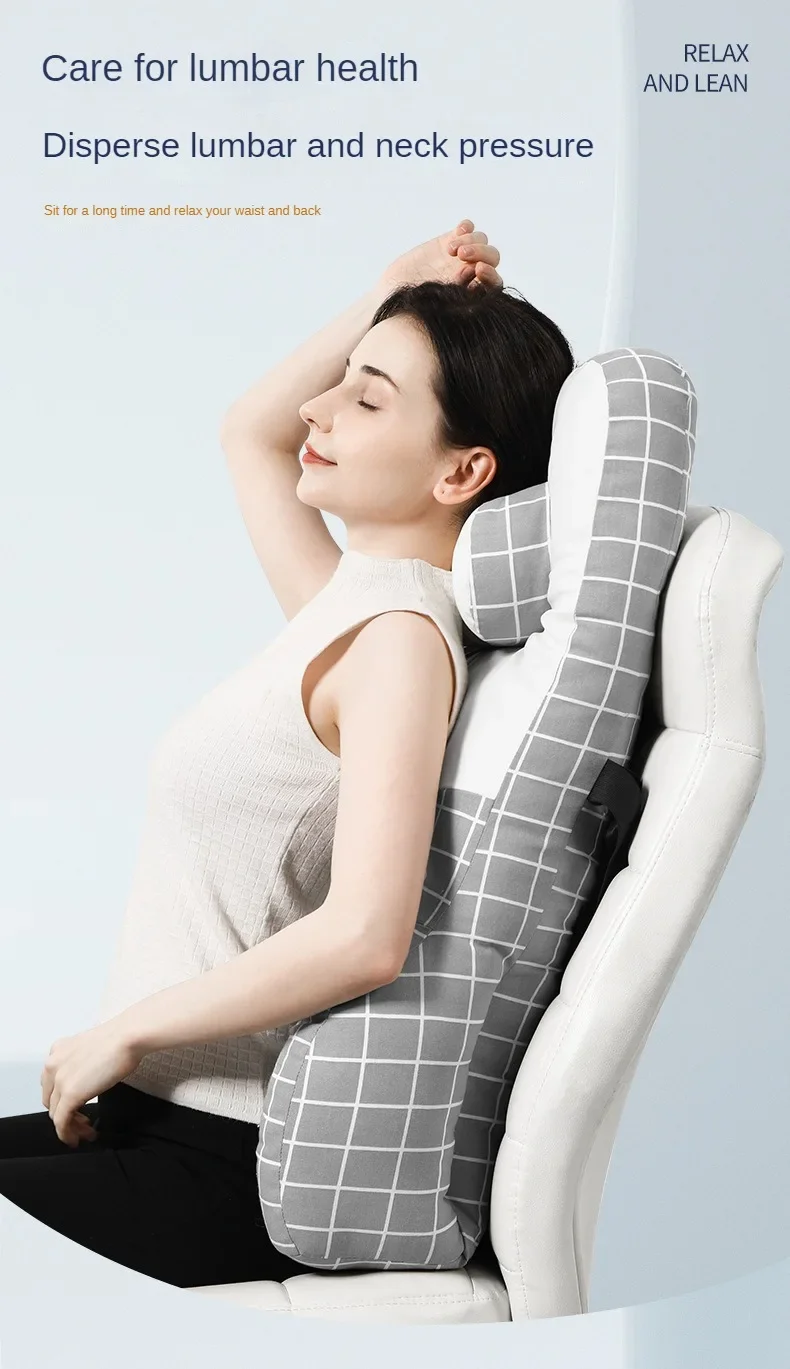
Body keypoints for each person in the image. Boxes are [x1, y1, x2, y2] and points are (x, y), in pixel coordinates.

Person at [0, 219, 574, 1288]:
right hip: (142, 1117)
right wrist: (393, 287)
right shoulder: (348, 601)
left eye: (368, 400)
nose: (320, 408)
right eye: (342, 383)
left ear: (463, 471)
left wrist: (126, 1032)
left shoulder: (399, 641)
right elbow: (248, 431)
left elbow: (367, 934)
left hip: (213, 1156)